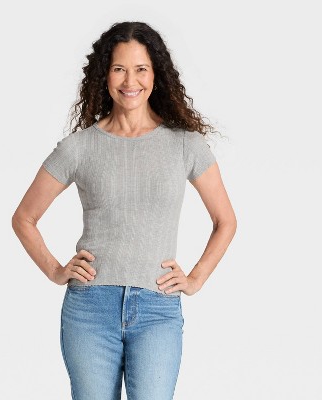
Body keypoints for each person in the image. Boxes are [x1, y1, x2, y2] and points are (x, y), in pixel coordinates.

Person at [12, 21, 237, 400]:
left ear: (156, 74)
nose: (130, 80)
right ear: (105, 75)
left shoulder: (186, 145)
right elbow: (24, 218)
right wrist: (55, 270)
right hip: (89, 309)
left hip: (157, 308)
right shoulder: (79, 147)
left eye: (141, 69)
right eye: (119, 68)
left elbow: (225, 221)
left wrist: (196, 279)